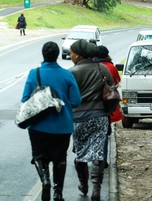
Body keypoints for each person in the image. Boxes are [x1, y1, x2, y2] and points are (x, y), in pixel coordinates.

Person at [20, 41, 81, 201]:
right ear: (58, 55)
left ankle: (45, 180)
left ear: (43, 55)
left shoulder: (35, 73)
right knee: (60, 159)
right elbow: (76, 101)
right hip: (62, 127)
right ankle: (58, 192)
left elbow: (25, 99)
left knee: (40, 156)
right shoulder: (67, 74)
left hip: (38, 127)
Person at [69, 39, 114, 201]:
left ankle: (84, 185)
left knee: (80, 153)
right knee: (98, 153)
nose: (70, 55)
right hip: (99, 116)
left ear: (79, 55)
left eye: (72, 52)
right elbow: (111, 87)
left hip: (79, 118)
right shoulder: (101, 68)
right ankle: (96, 189)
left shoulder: (71, 72)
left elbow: (67, 96)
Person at [94, 45, 123, 168]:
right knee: (104, 133)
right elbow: (116, 81)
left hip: (93, 103)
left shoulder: (93, 66)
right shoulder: (111, 67)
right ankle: (103, 159)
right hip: (106, 104)